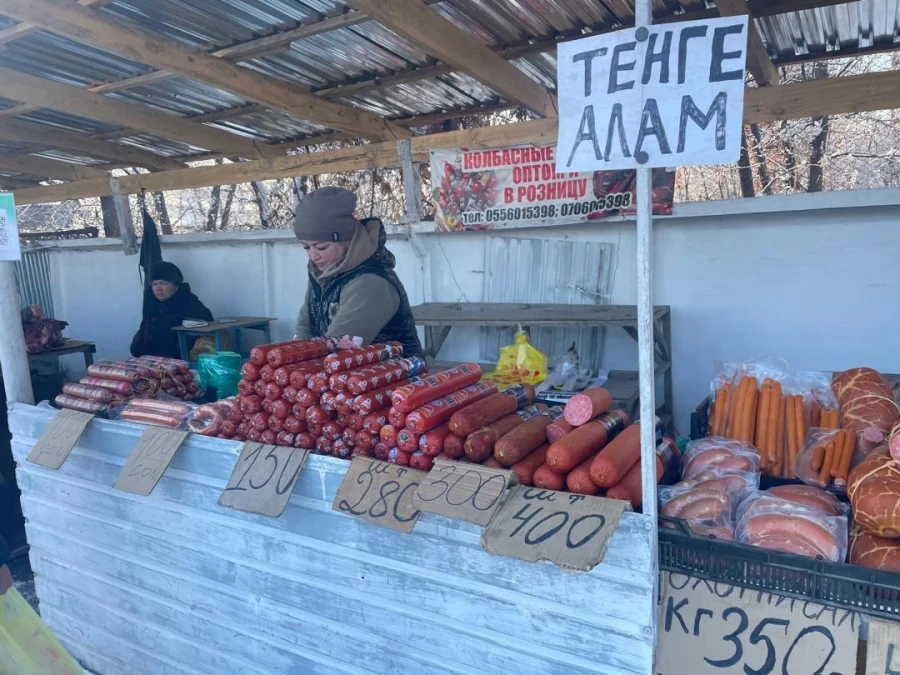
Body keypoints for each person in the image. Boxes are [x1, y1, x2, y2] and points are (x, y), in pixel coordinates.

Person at [293, 187, 423, 357]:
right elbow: (305, 326)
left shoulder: (370, 283)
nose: (313, 255)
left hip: (396, 376)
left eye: (321, 247)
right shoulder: (323, 271)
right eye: (306, 247)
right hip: (342, 375)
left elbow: (336, 346)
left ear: (346, 240)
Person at [130, 261, 213, 359]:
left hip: (181, 363)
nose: (159, 289)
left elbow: (203, 336)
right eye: (155, 284)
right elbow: (144, 332)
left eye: (163, 283)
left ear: (176, 285)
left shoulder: (190, 305)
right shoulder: (152, 305)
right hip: (152, 362)